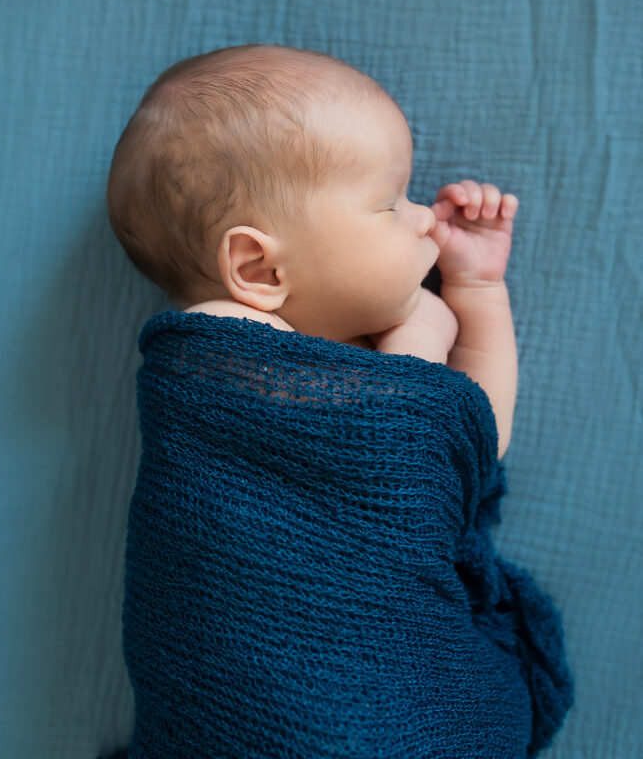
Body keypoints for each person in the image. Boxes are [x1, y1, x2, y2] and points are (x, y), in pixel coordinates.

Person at [104, 43, 572, 758]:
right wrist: (418, 338)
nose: (423, 220)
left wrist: (476, 292)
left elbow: (473, 438)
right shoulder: (215, 354)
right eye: (389, 204)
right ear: (258, 267)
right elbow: (406, 437)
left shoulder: (371, 366)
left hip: (386, 687)